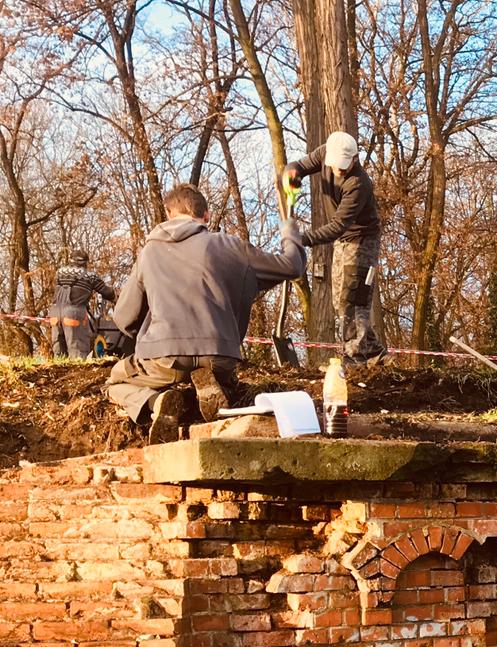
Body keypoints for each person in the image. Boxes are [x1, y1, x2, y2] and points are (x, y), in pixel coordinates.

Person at [105, 182, 305, 442]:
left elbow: (124, 318)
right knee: (225, 381)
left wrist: (152, 337)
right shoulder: (229, 246)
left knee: (115, 382)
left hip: (166, 359)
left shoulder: (149, 252)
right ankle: (212, 384)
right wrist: (290, 230)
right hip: (218, 356)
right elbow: (291, 266)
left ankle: (157, 401)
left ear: (169, 214)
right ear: (206, 216)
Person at [284, 130, 385, 363]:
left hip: (362, 240)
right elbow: (297, 165)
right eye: (335, 164)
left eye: (343, 165)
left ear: (354, 159)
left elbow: (338, 226)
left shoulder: (359, 184)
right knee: (340, 299)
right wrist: (291, 175)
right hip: (343, 241)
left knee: (354, 295)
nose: (338, 170)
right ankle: (373, 353)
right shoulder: (325, 154)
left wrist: (302, 239)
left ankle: (357, 355)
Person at [46, 250, 115, 359]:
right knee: (77, 349)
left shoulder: (59, 272)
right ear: (85, 262)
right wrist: (116, 298)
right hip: (74, 313)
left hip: (54, 313)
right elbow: (107, 292)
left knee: (59, 350)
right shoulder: (90, 276)